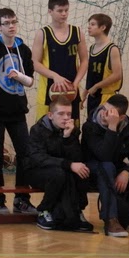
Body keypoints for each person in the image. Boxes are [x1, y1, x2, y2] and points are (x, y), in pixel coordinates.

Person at [0, 8, 36, 215]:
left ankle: (22, 199)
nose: (11, 26)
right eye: (6, 23)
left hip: (17, 111)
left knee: (25, 154)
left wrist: (19, 76)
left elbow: (29, 79)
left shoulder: (24, 50)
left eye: (14, 22)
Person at [82, 94, 129, 237]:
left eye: (111, 113)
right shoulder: (90, 126)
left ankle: (124, 214)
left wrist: (127, 172)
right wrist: (112, 127)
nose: (104, 114)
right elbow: (104, 156)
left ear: (121, 117)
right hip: (90, 170)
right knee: (107, 166)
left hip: (114, 168)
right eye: (104, 109)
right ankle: (111, 219)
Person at [26, 96, 94, 232]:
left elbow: (77, 157)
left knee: (82, 171)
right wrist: (68, 164)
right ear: (50, 115)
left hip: (62, 168)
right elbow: (39, 158)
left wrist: (67, 138)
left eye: (69, 114)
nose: (66, 118)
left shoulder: (72, 130)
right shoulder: (37, 130)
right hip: (36, 171)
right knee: (59, 174)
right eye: (61, 114)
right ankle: (44, 210)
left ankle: (76, 211)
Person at [32, 0, 88, 121]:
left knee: (71, 127)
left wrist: (76, 83)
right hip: (49, 90)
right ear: (50, 11)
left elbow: (84, 60)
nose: (64, 14)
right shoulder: (42, 33)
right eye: (60, 11)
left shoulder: (77, 32)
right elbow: (34, 63)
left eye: (66, 10)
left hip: (71, 90)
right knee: (45, 129)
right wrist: (54, 76)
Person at [84, 13, 123, 115]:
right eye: (89, 24)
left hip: (106, 96)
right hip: (93, 96)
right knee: (91, 124)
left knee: (102, 124)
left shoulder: (112, 49)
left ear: (103, 27)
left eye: (93, 24)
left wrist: (97, 86)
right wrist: (84, 93)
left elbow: (117, 75)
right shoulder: (92, 48)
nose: (89, 27)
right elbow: (91, 74)